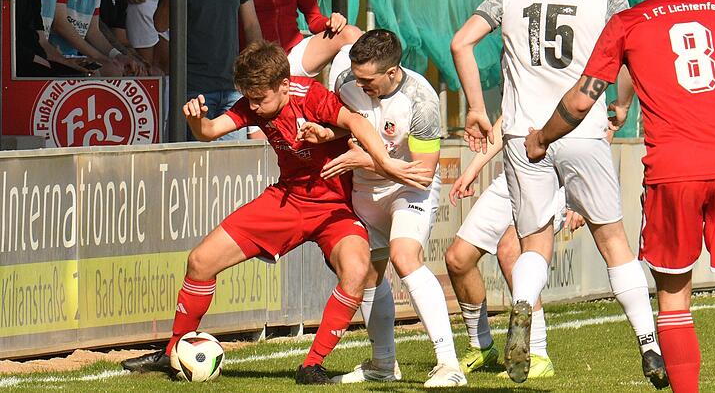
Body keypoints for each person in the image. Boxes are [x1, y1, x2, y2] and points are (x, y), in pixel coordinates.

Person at [525, 0, 715, 392]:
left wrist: (541, 138)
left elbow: (580, 100)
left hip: (673, 172)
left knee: (673, 297)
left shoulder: (628, 23)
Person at [120, 39, 432, 384]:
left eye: (260, 99)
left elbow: (358, 123)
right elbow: (210, 132)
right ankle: (173, 352)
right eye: (249, 98)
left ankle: (313, 365)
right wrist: (198, 120)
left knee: (357, 271)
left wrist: (384, 162)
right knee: (200, 260)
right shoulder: (255, 102)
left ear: (283, 85)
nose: (254, 106)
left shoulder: (310, 96)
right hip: (289, 200)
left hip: (338, 208)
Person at [450, 0, 667, 387]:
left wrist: (475, 107)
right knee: (613, 241)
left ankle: (523, 304)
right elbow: (627, 57)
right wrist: (621, 107)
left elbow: (461, 42)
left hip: (523, 135)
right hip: (582, 130)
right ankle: (649, 345)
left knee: (533, 245)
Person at [320, 29, 465, 388]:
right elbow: (338, 128)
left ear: (392, 71)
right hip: (364, 194)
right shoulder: (345, 82)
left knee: (404, 257)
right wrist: (324, 135)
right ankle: (383, 364)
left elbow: (422, 173)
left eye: (368, 79)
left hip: (407, 192)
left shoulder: (421, 100)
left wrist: (365, 159)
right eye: (356, 76)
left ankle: (449, 365)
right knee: (366, 272)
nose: (360, 83)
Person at [446, 115, 586, 380]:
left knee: (511, 250)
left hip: (555, 179)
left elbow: (595, 130)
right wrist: (473, 168)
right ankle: (481, 347)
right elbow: (508, 119)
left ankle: (538, 354)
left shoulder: (570, 74)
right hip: (512, 176)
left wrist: (578, 198)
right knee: (457, 258)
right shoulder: (515, 75)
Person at [226, 0, 362, 90]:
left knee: (350, 33)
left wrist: (331, 22)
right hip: (253, 59)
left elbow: (313, 17)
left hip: (291, 54)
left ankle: (336, 101)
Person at [186, 0, 262, 141]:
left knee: (232, 165)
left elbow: (251, 26)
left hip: (233, 87)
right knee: (197, 164)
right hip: (194, 89)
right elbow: (160, 24)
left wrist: (259, 71)